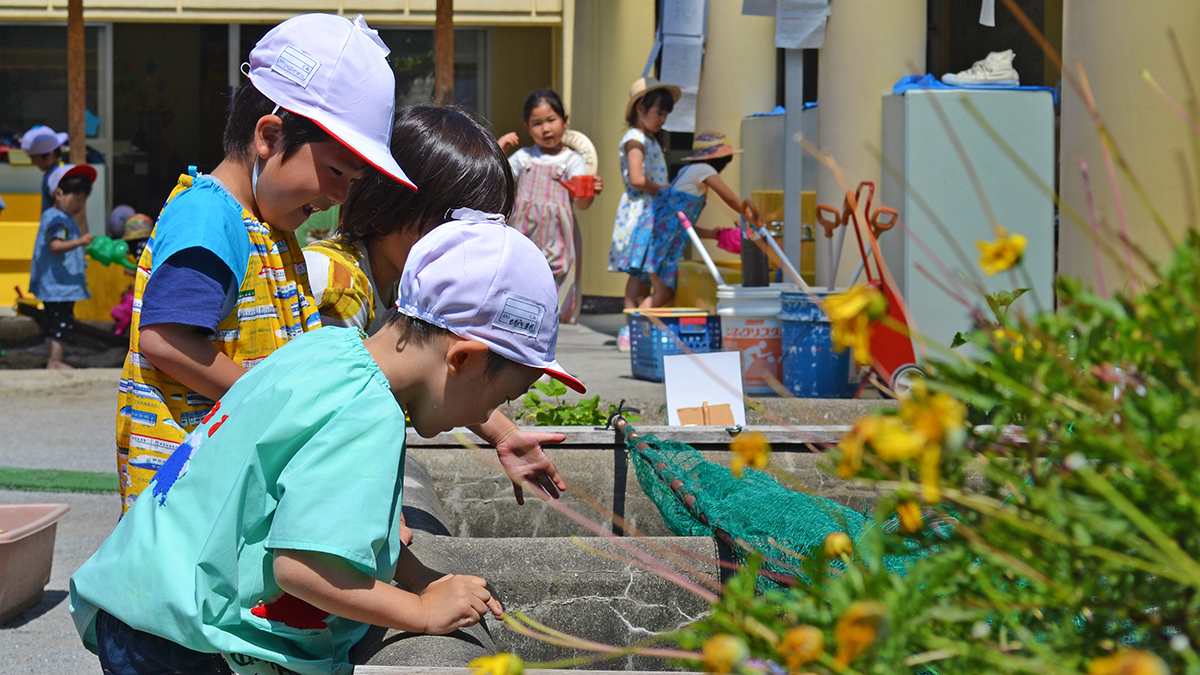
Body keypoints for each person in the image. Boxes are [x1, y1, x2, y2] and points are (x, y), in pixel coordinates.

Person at [70, 216, 584, 675]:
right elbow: (303, 569)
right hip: (187, 644)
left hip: (147, 599)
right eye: (502, 397)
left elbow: (343, 525)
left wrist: (421, 577)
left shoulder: (328, 349)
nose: (484, 418)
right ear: (464, 360)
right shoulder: (368, 415)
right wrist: (423, 612)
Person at [115, 13, 413, 514]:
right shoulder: (210, 217)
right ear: (269, 137)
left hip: (226, 480)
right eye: (337, 171)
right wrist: (274, 399)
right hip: (183, 498)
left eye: (354, 181)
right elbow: (164, 340)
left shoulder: (270, 228)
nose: (340, 194)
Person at [306, 104, 569, 504]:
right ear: (392, 202)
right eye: (463, 227)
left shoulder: (404, 284)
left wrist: (501, 430)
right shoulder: (338, 286)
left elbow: (434, 365)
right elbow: (329, 423)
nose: (474, 246)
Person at [497, 89, 603, 324]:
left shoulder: (573, 161)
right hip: (525, 240)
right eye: (537, 123)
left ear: (565, 121)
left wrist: (589, 191)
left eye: (551, 120)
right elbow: (497, 182)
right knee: (520, 282)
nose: (545, 129)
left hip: (559, 243)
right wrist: (499, 151)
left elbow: (583, 205)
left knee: (556, 292)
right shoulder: (523, 158)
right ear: (526, 127)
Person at [618, 130, 743, 308]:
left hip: (655, 237)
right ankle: (636, 329)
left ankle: (635, 329)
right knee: (664, 292)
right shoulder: (703, 170)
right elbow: (729, 197)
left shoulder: (687, 171)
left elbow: (682, 225)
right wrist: (746, 212)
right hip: (660, 242)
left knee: (659, 291)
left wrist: (711, 234)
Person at [611, 77, 678, 349]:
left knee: (641, 274)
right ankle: (632, 329)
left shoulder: (647, 138)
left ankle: (638, 328)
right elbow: (638, 179)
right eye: (658, 112)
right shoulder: (635, 138)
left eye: (665, 114)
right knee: (642, 273)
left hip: (651, 211)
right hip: (643, 212)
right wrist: (665, 190)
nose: (662, 119)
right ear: (640, 108)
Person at [29, 164, 96, 370]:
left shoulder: (58, 218)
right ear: (58, 194)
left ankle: (52, 359)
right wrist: (81, 241)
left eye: (83, 200)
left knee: (54, 323)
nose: (80, 205)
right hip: (59, 286)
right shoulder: (58, 220)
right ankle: (55, 361)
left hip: (56, 285)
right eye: (76, 199)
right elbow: (56, 246)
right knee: (62, 324)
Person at [20, 125, 69, 212]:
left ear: (51, 155)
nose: (33, 162)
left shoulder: (57, 175)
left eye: (34, 158)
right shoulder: (50, 174)